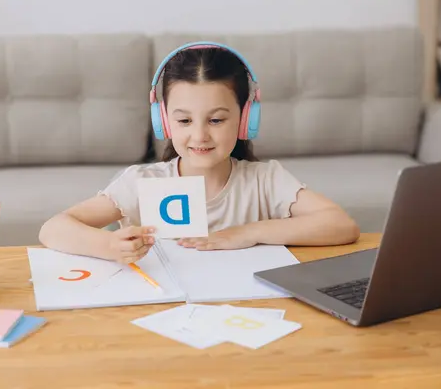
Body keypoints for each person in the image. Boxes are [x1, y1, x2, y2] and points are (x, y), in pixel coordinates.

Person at [39, 42, 360, 264]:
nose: (199, 135)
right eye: (184, 120)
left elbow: (342, 225)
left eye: (217, 119)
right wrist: (108, 245)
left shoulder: (265, 179)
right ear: (164, 121)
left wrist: (249, 233)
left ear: (245, 119)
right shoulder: (142, 181)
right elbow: (52, 229)